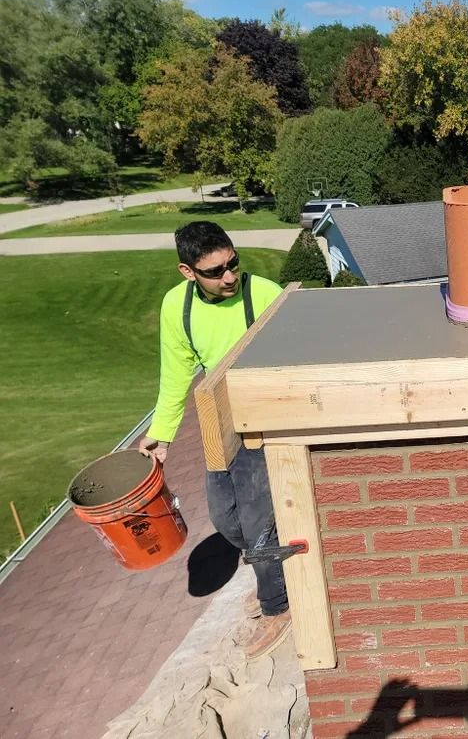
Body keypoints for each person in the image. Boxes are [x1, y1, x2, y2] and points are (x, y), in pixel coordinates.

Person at [139, 221, 291, 659]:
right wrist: (161, 436)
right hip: (217, 423)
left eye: (233, 263)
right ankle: (272, 574)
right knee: (227, 520)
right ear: (188, 272)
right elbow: (175, 376)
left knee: (259, 520)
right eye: (215, 271)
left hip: (262, 418)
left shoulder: (263, 294)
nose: (230, 277)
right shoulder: (177, 307)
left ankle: (277, 605)